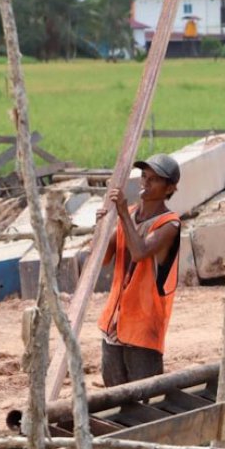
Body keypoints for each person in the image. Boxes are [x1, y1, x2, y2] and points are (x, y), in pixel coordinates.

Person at [97, 154, 181, 387]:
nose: (145, 182)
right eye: (144, 176)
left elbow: (139, 252)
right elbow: (102, 258)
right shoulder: (130, 214)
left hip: (144, 327)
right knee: (113, 395)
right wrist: (101, 228)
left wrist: (122, 213)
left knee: (145, 398)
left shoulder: (169, 224)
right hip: (114, 323)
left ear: (170, 188)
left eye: (154, 179)